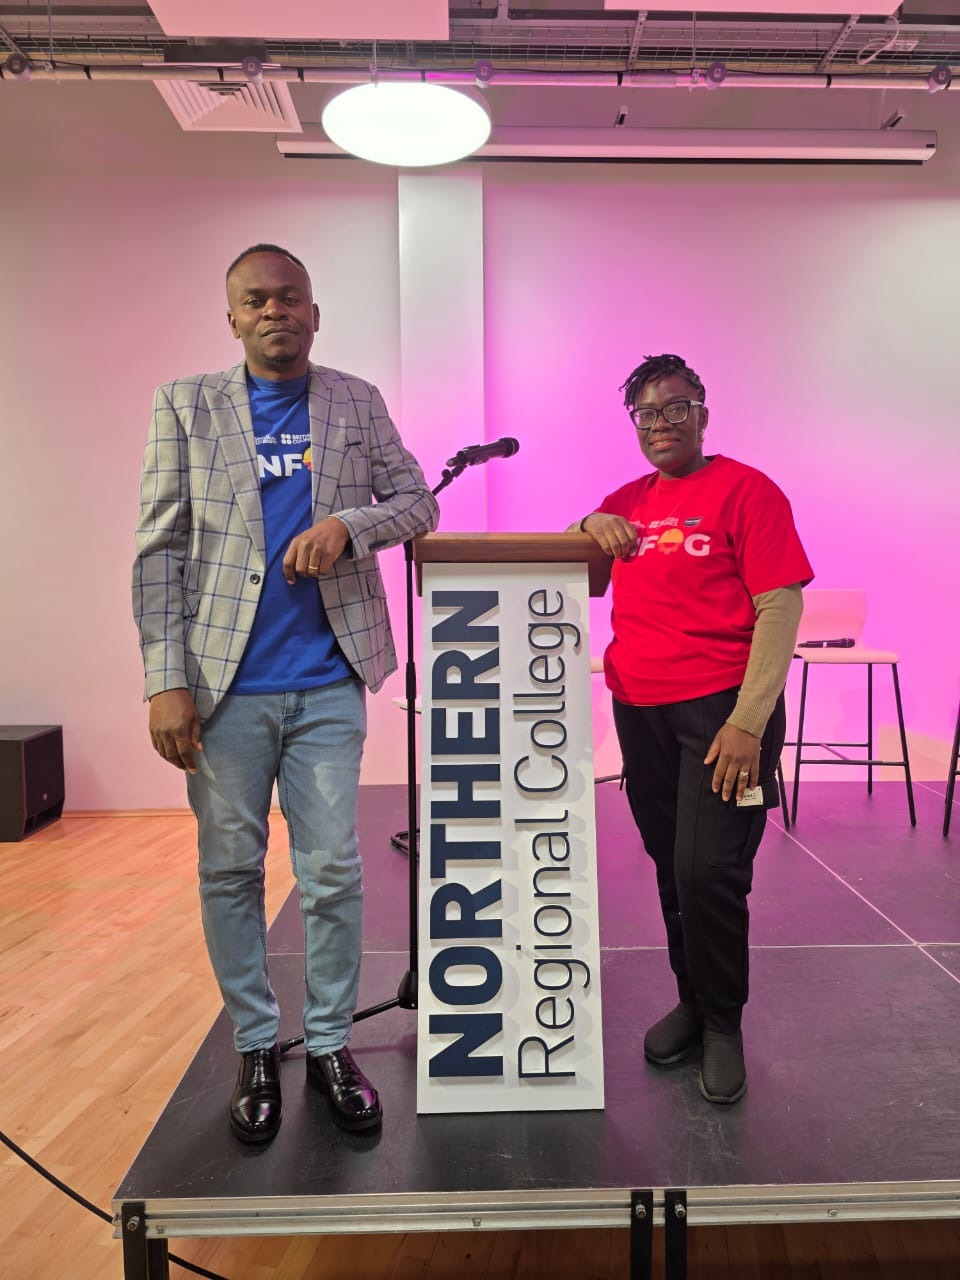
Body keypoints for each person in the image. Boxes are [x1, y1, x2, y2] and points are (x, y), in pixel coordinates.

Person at [132, 244, 439, 1143]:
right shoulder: (186, 405)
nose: (276, 311)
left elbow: (419, 501)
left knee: (332, 870)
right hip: (222, 690)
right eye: (257, 300)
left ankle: (333, 1043)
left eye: (290, 297)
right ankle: (257, 1044)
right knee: (231, 869)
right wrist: (165, 679)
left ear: (314, 312)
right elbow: (159, 550)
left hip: (329, 680)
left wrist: (347, 524)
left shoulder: (356, 400)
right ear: (233, 317)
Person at [571, 353, 812, 1104]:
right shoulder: (626, 501)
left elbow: (780, 606)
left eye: (675, 408)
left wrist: (749, 722)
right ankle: (692, 1001)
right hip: (640, 709)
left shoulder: (748, 490)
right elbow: (575, 574)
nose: (661, 424)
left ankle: (723, 1026)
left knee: (711, 872)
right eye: (645, 413)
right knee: (672, 866)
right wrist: (586, 525)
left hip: (723, 713)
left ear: (703, 413)